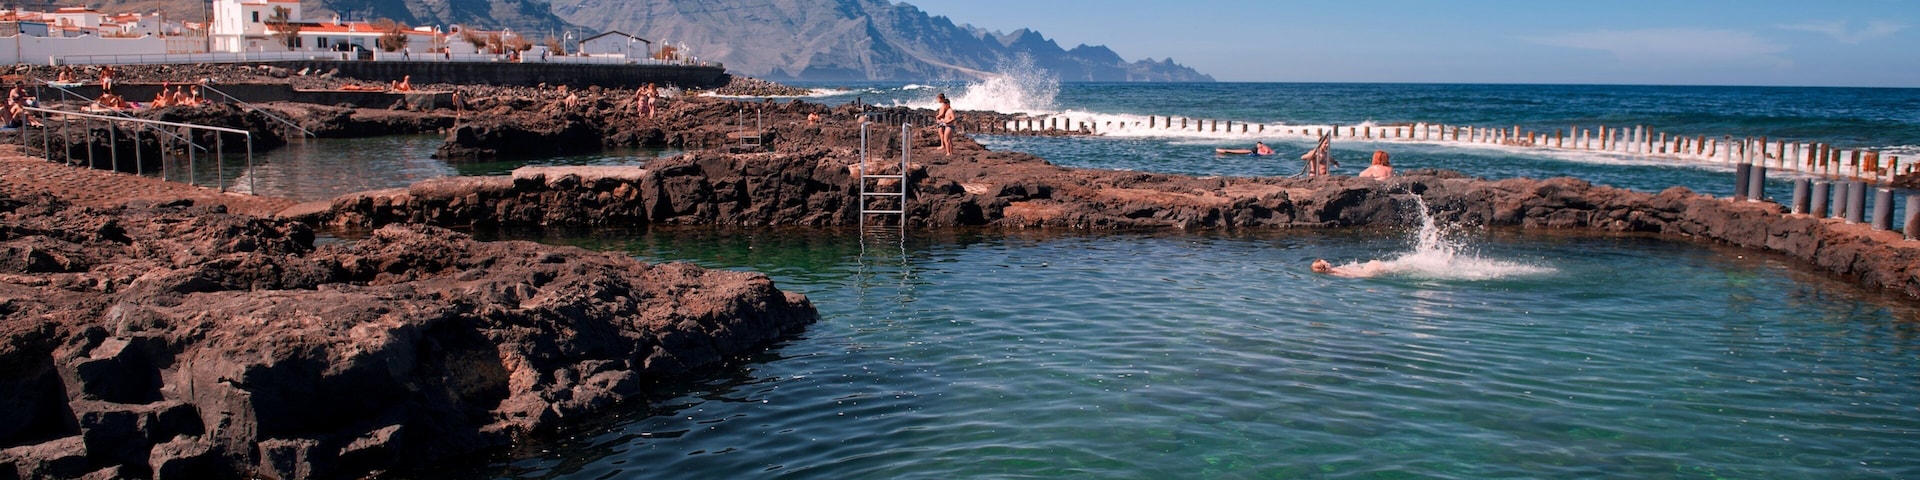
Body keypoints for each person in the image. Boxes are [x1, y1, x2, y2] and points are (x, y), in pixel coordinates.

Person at [1311, 258, 1390, 278]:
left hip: (1365, 269)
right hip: (1368, 271)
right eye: (1326, 262)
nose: (1328, 262)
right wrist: (1367, 275)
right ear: (1325, 267)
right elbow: (1348, 273)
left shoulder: (1333, 270)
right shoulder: (1334, 271)